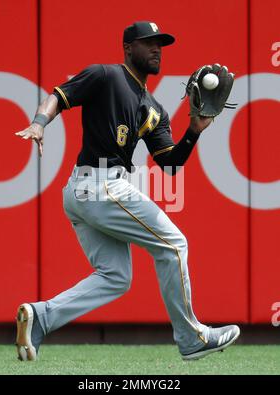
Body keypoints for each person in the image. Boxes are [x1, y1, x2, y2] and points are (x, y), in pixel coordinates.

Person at [15, 21, 240, 362]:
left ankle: (40, 318)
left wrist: (194, 130)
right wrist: (38, 123)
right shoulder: (104, 75)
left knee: (115, 277)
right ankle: (192, 337)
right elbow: (58, 96)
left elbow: (169, 163)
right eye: (147, 42)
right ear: (128, 48)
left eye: (159, 44)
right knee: (174, 245)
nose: (156, 49)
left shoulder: (154, 108)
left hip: (87, 191)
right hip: (99, 183)